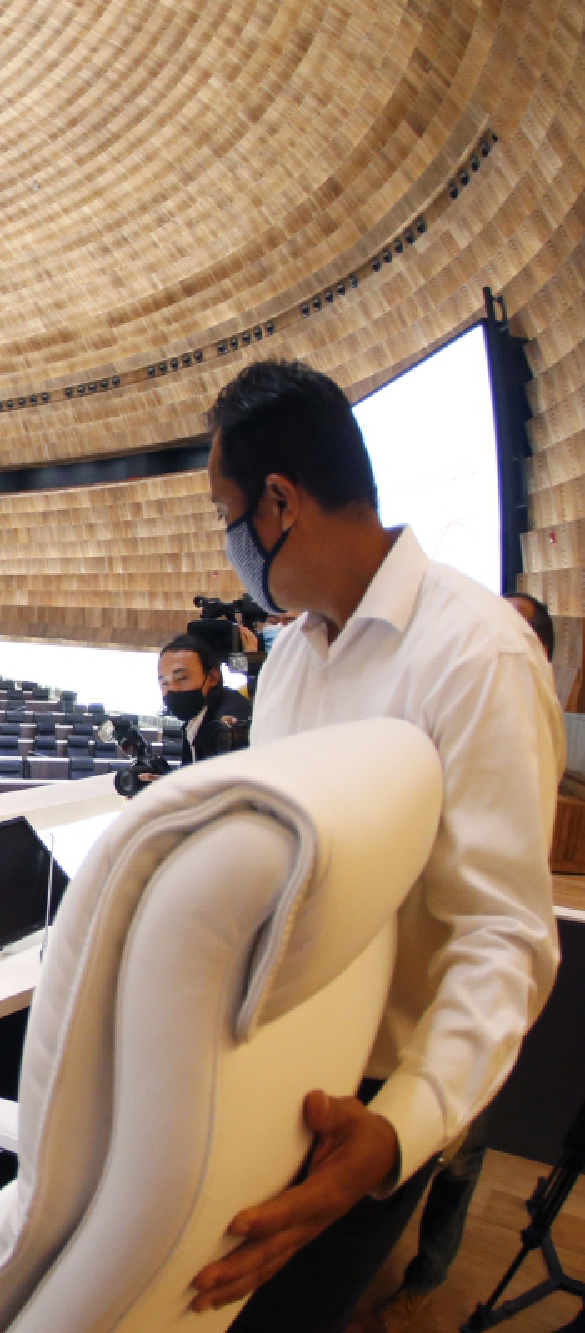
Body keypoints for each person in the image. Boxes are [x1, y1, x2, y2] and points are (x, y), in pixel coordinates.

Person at [183, 361, 562, 1330]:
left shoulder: (474, 653)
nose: (226, 542)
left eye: (225, 512)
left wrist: (396, 1131)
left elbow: (501, 934)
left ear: (277, 502)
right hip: (260, 1067)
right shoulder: (289, 664)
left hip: (362, 1106)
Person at [376, 587, 560, 1328]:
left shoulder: (521, 708)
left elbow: (505, 904)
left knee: (460, 1152)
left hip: (467, 989)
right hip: (401, 982)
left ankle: (431, 1271)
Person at [158, 633, 253, 764]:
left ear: (213, 678)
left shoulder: (227, 721)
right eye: (164, 683)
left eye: (181, 678)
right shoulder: (195, 721)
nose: (172, 689)